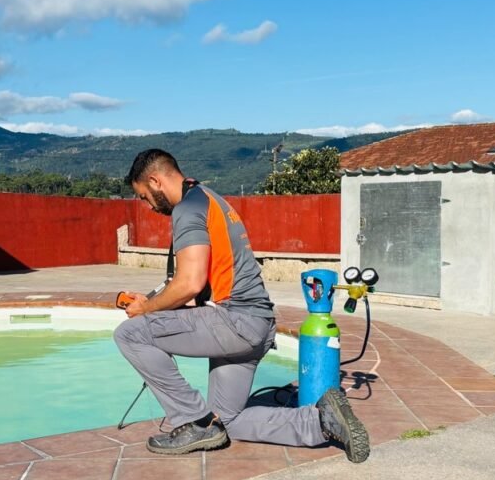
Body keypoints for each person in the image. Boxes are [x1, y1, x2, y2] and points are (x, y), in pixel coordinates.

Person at [114, 148, 370, 462]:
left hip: (235, 321)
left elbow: (189, 283)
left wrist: (145, 309)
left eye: (143, 196)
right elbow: (199, 286)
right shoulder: (209, 199)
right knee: (227, 421)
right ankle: (322, 422)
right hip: (256, 323)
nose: (148, 206)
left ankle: (194, 422)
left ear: (155, 181)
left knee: (130, 334)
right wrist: (152, 302)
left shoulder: (188, 208)